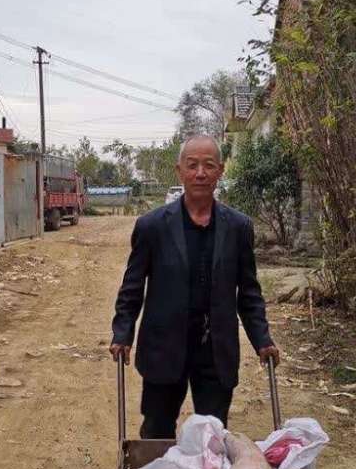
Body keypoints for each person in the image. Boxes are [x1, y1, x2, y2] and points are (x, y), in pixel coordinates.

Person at [110, 135, 278, 438]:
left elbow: (249, 293)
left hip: (215, 351)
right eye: (192, 165)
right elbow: (132, 288)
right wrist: (123, 333)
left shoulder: (238, 227)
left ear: (220, 171)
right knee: (157, 431)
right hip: (164, 347)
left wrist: (262, 339)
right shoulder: (152, 226)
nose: (200, 173)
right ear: (179, 171)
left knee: (212, 436)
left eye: (209, 165)